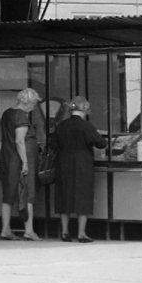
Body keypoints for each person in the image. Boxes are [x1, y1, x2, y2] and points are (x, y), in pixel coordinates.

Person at [52, 97, 107, 242]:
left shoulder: (61, 125)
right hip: (83, 162)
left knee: (64, 195)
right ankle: (81, 233)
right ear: (84, 109)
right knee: (83, 195)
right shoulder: (87, 126)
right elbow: (101, 143)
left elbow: (53, 145)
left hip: (63, 162)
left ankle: (65, 232)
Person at [0, 88, 42, 241]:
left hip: (7, 157)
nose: (34, 107)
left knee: (8, 194)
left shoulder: (7, 113)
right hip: (19, 159)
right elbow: (19, 141)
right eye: (34, 104)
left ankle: (5, 229)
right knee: (27, 193)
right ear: (28, 102)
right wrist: (25, 162)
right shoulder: (21, 116)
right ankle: (29, 230)